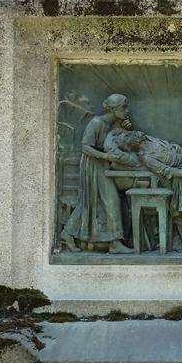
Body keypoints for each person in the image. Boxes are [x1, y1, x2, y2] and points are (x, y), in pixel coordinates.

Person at [59, 94, 137, 254]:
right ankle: (115, 244)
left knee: (89, 202)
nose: (127, 110)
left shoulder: (113, 124)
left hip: (104, 164)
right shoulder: (96, 123)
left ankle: (67, 233)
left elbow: (113, 142)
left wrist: (123, 129)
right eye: (123, 107)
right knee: (111, 200)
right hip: (93, 165)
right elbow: (86, 147)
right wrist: (106, 156)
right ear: (113, 109)